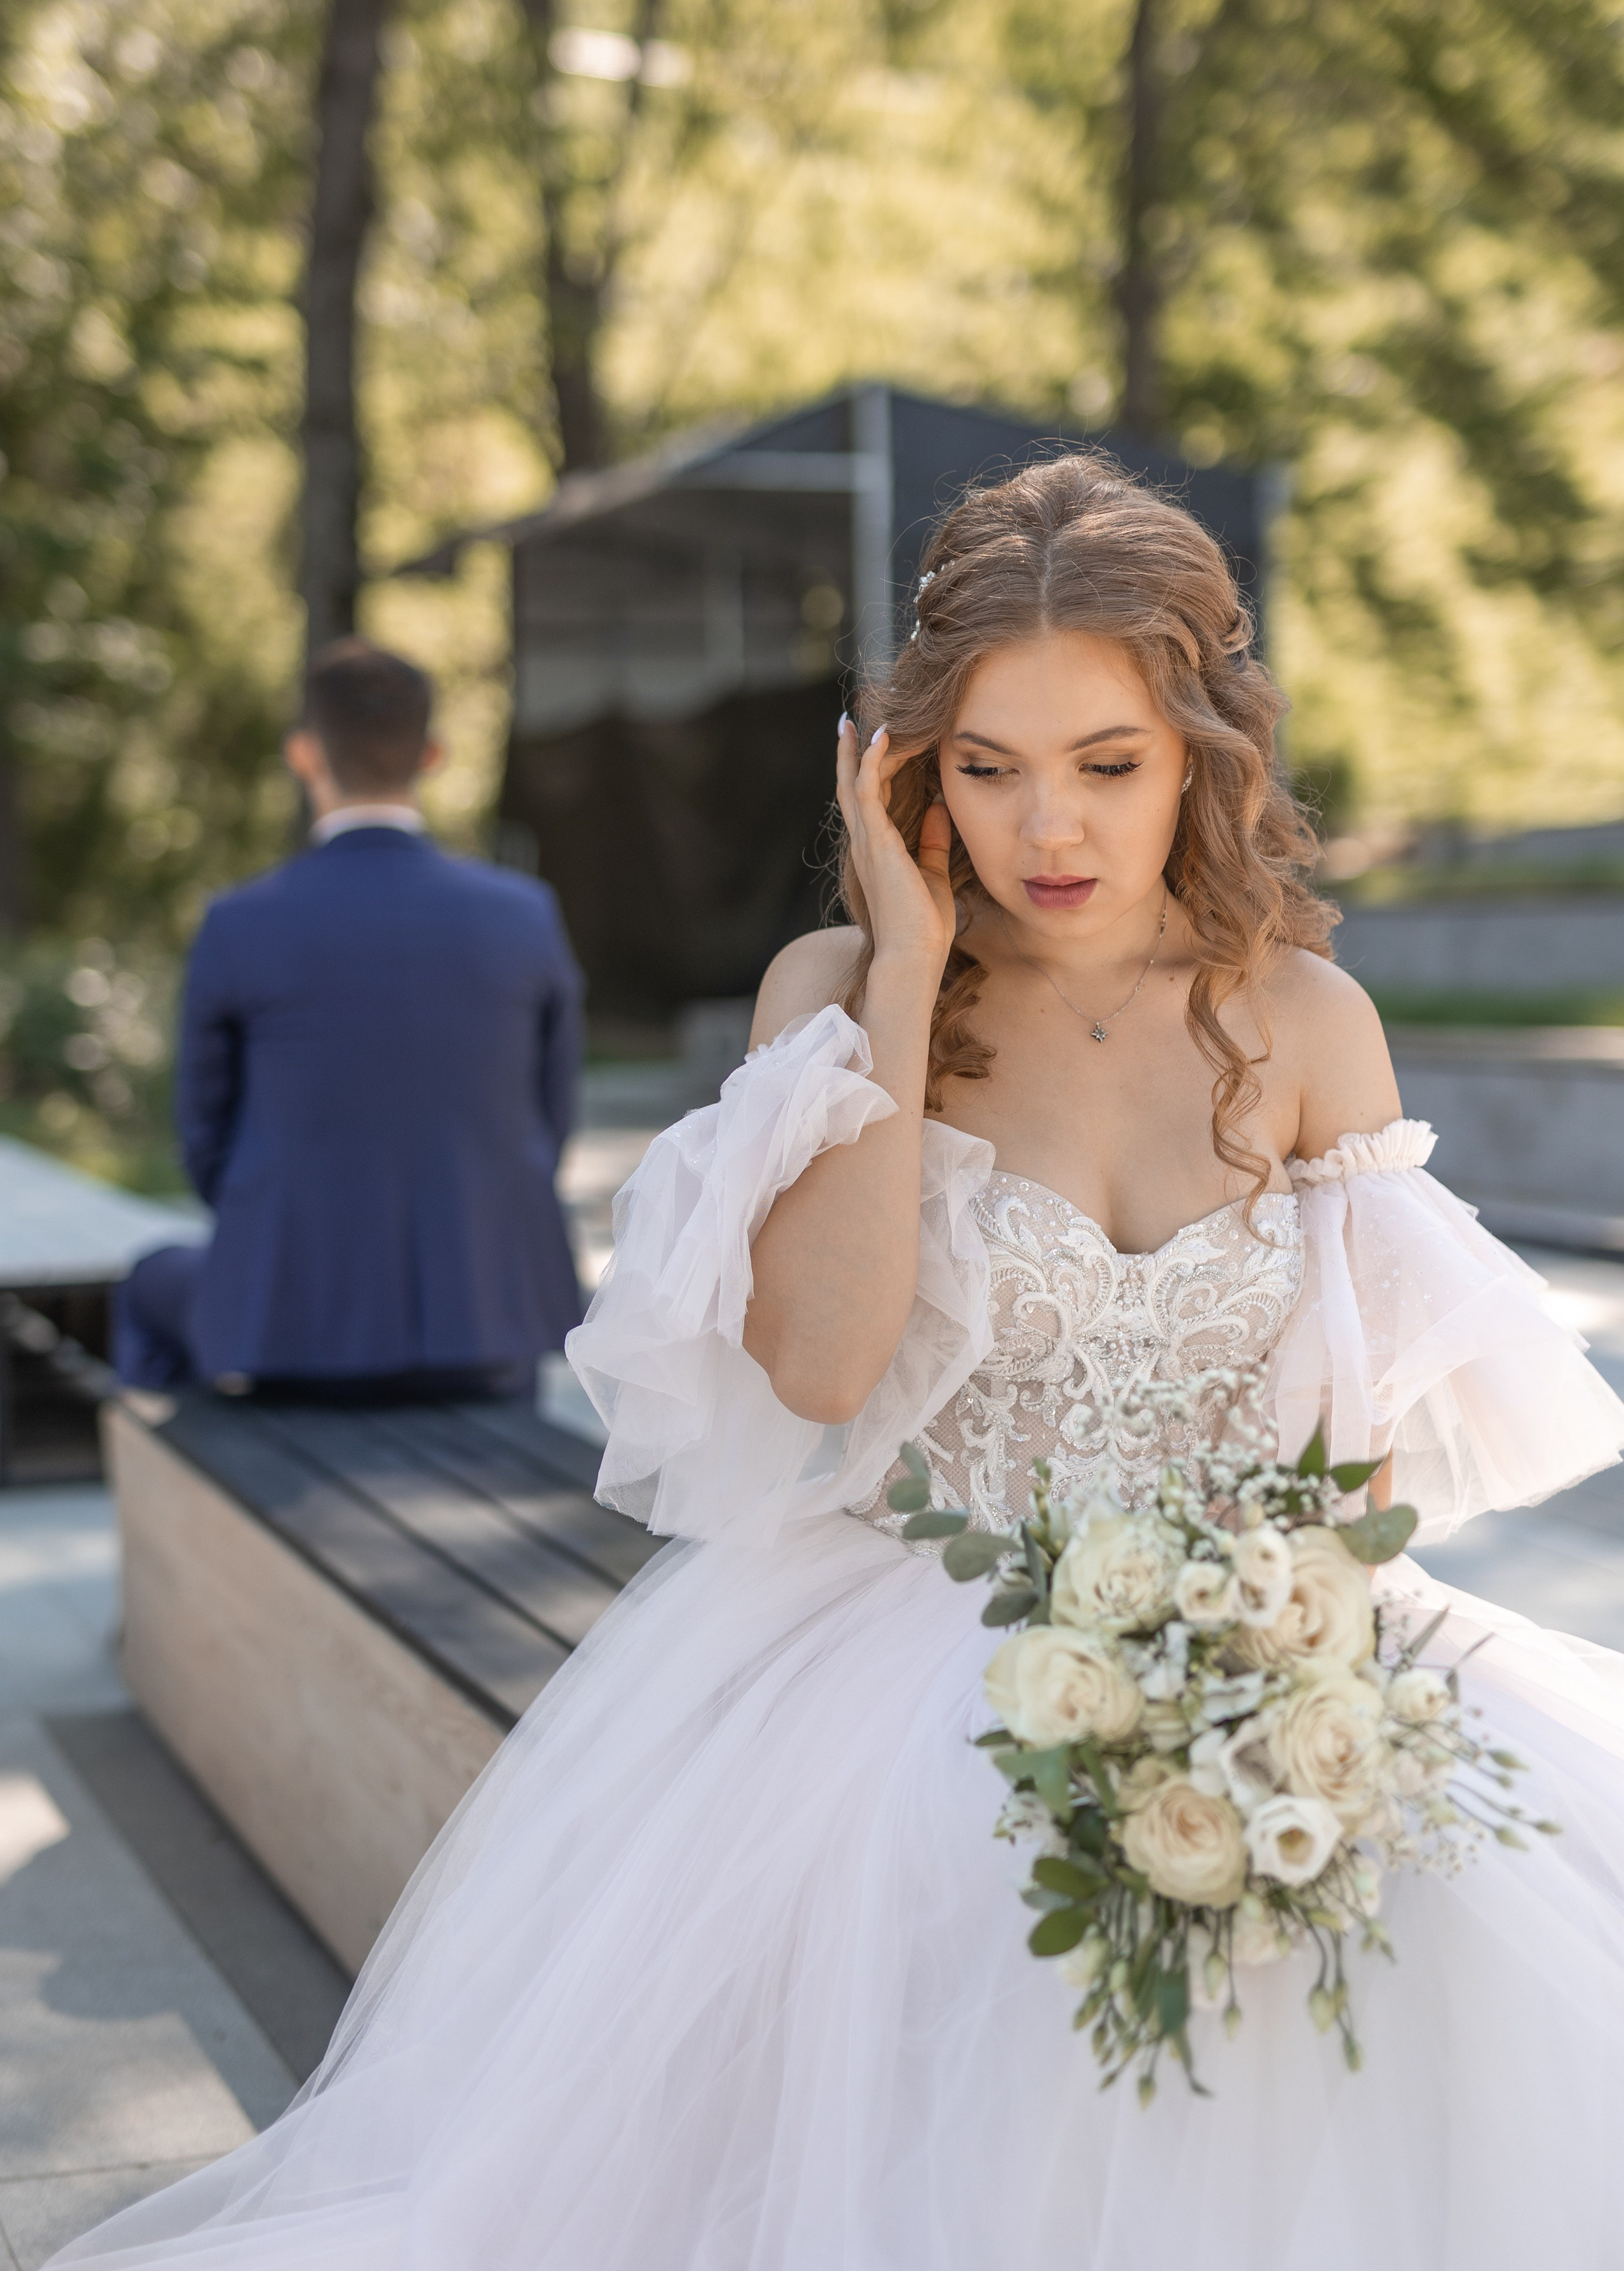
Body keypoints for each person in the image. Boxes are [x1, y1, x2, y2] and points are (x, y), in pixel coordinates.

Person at [58, 459, 1624, 2270]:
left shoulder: (1307, 1020)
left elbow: (1354, 1466)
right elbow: (819, 1365)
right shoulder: (833, 992)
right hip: (904, 1653)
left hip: (1259, 1649)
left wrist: (1273, 1676)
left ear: (1202, 747)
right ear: (904, 773)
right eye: (987, 764)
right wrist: (902, 972)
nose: (1053, 824)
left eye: (1108, 761)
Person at [113, 638, 584, 1403]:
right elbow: (549, 1121)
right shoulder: (524, 915)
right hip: (485, 1326)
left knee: (147, 1284)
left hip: (290, 1333)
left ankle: (216, 1481)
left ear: (304, 755)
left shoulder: (239, 923)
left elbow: (204, 1144)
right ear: (432, 754)